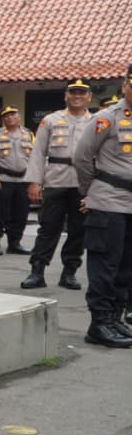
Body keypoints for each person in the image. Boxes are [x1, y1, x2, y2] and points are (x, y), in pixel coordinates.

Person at [72, 68, 132, 348]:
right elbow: (82, 158)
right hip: (108, 202)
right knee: (105, 265)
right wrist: (90, 192)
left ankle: (115, 318)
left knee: (125, 267)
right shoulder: (106, 119)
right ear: (124, 85)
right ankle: (99, 324)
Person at [21, 80, 93, 290]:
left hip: (83, 183)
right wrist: (35, 182)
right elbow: (38, 153)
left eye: (82, 93)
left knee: (78, 230)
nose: (77, 96)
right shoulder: (51, 120)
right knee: (48, 227)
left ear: (89, 97)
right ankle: (37, 271)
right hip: (55, 180)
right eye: (73, 92)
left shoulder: (96, 122)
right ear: (66, 96)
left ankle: (69, 272)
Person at [0, 106, 34, 256]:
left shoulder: (28, 134)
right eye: (6, 116)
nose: (10, 117)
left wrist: (35, 179)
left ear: (19, 117)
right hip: (3, 180)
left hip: (23, 180)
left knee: (21, 214)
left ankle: (14, 243)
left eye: (13, 114)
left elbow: (36, 157)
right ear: (3, 119)